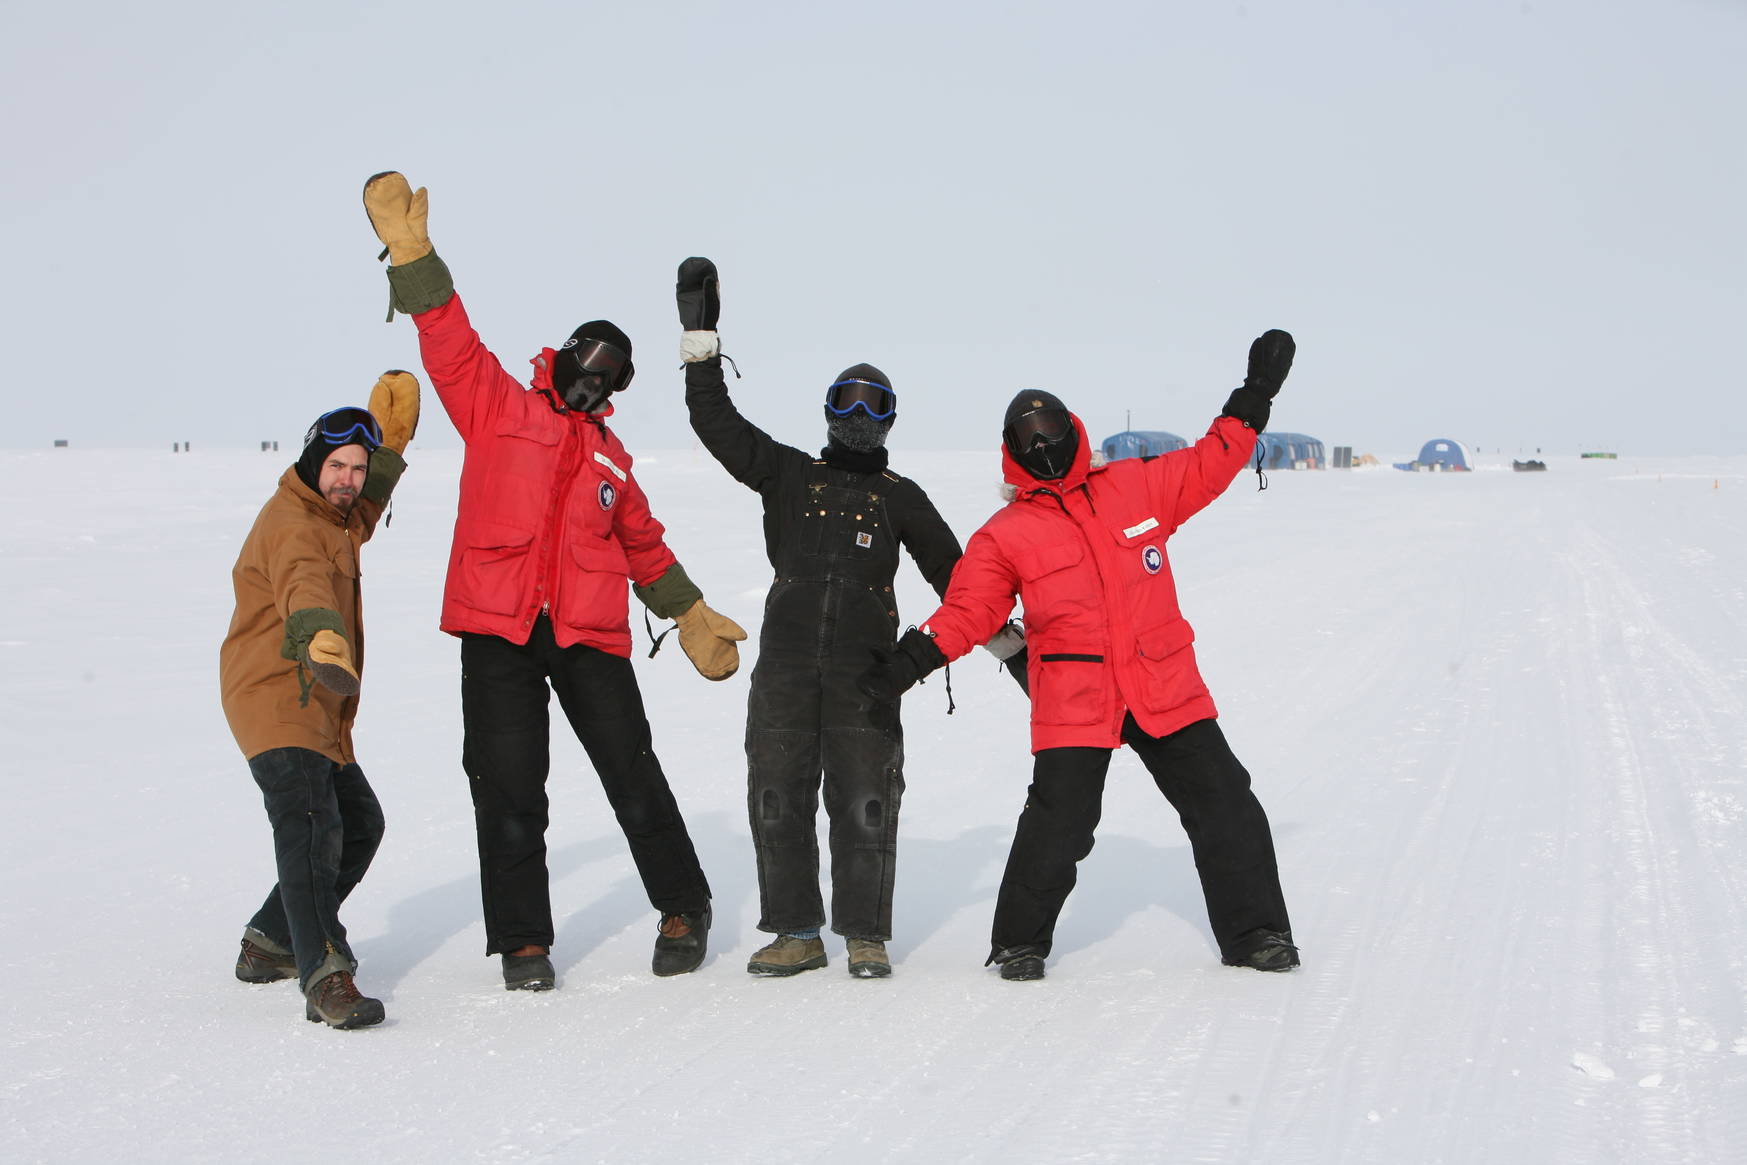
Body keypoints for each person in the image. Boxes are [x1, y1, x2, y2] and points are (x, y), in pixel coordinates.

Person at [363, 173, 745, 990]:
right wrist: (414, 256)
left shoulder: (612, 458)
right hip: (496, 625)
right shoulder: (497, 403)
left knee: (631, 770)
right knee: (506, 785)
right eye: (589, 363)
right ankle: (523, 941)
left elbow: (643, 543)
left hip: (587, 633)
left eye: (613, 376)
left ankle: (685, 904)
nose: (596, 381)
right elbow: (447, 336)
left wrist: (691, 613)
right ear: (564, 354)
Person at [857, 331, 1300, 981]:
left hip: (1159, 680)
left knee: (1225, 802)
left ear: (1073, 429)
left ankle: (1257, 932)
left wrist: (1254, 394)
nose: (1040, 443)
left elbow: (1209, 461)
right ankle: (1017, 942)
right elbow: (967, 610)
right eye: (1025, 435)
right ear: (1010, 453)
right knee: (1060, 823)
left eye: (1049, 427)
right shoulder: (1004, 533)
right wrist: (905, 663)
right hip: (1074, 695)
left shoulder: (1134, 487)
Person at [675, 258, 1022, 978]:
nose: (858, 417)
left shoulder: (901, 497)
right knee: (776, 796)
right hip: (785, 673)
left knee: (866, 802)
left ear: (889, 419)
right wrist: (700, 338)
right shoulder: (787, 472)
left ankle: (864, 934)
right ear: (828, 410)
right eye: (846, 401)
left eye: (874, 405)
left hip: (868, 677)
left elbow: (963, 583)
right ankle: (797, 932)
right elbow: (715, 421)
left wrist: (1013, 649)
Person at [221, 373, 419, 1028]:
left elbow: (356, 520)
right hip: (279, 692)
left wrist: (391, 453)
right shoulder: (293, 526)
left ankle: (269, 941)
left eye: (359, 468)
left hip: (320, 703)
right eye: (338, 465)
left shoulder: (333, 514)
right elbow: (305, 583)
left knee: (358, 822)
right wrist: (322, 638)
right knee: (312, 825)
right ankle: (325, 974)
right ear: (313, 460)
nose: (349, 479)